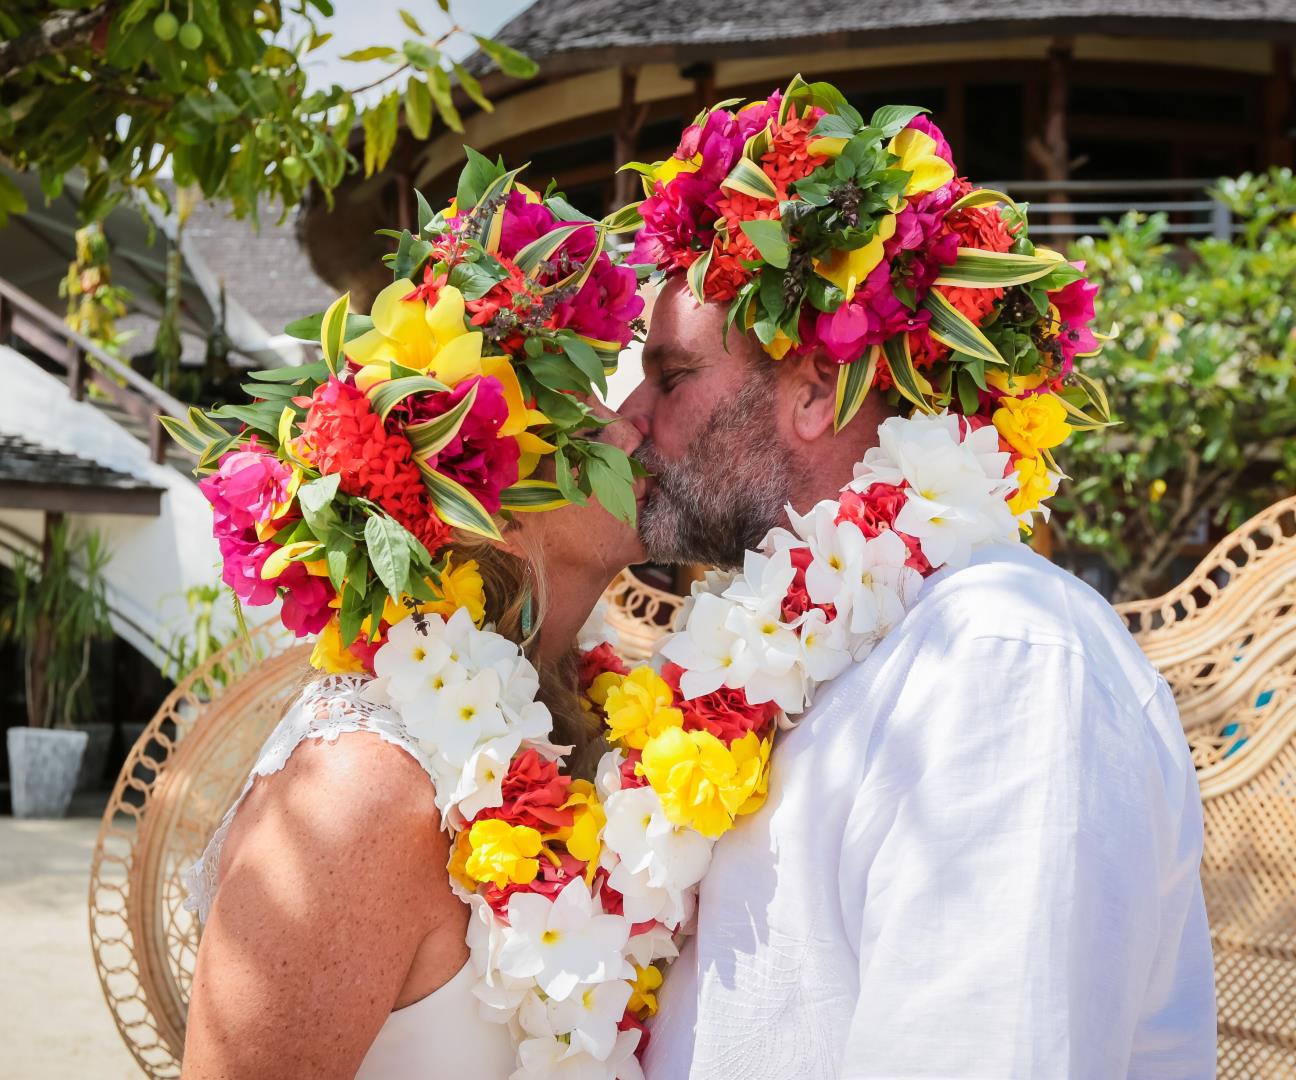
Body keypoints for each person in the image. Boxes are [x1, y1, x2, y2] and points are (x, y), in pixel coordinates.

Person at [614, 81, 1217, 1079]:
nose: (633, 420)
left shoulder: (999, 669)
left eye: (672, 377)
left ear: (814, 390)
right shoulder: (786, 649)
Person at [178, 156, 652, 1079]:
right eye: (587, 415)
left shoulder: (571, 720)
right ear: (492, 500)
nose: (631, 426)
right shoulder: (364, 797)